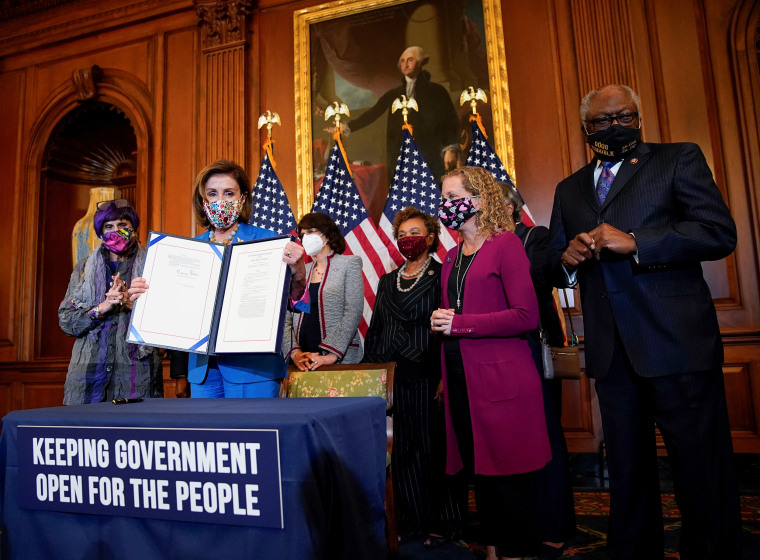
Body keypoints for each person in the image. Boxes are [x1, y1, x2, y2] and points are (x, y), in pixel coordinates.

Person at [548, 84, 741, 559]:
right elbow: (555, 263)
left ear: (639, 118)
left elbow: (717, 232)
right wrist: (568, 259)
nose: (614, 126)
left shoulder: (678, 159)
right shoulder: (569, 188)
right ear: (586, 128)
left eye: (624, 116)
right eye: (602, 121)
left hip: (676, 342)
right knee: (628, 472)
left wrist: (637, 241)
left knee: (700, 467)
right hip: (612, 353)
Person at [431, 166, 550, 560]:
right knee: (481, 476)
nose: (445, 206)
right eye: (443, 199)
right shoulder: (449, 257)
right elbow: (456, 312)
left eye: (452, 198)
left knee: (509, 479)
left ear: (479, 200)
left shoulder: (505, 245)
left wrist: (460, 324)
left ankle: (516, 552)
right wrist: (443, 322)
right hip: (463, 381)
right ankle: (495, 551)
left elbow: (526, 316)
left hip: (504, 383)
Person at [129, 159, 306, 398]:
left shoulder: (271, 242)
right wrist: (144, 297)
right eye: (213, 193)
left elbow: (295, 303)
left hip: (252, 367)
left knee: (251, 434)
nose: (220, 200)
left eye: (229, 193)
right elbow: (174, 307)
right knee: (209, 434)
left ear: (242, 198)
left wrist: (299, 272)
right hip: (203, 367)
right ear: (204, 201)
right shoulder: (189, 249)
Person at [363, 206, 465, 547]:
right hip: (392, 376)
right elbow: (377, 329)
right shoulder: (387, 280)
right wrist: (372, 373)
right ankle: (409, 520)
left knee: (435, 449)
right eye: (402, 234)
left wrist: (445, 376)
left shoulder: (443, 276)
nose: (408, 239)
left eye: (415, 232)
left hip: (428, 374)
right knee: (402, 450)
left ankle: (444, 521)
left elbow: (450, 327)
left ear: (431, 237)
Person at [501, 184, 576, 560]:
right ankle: (522, 524)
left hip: (533, 346)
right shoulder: (475, 247)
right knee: (510, 443)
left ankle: (556, 525)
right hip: (497, 353)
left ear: (513, 208)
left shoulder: (535, 237)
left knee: (545, 434)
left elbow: (535, 283)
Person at [59, 198, 163, 404]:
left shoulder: (153, 265)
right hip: (87, 375)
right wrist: (102, 307)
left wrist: (132, 305)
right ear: (100, 232)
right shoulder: (83, 268)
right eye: (109, 226)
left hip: (135, 375)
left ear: (133, 227)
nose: (116, 231)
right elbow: (66, 321)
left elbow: (168, 323)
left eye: (123, 225)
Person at [348, 46, 459, 182]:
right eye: (402, 61)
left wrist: (450, 148)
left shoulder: (437, 91)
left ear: (420, 62)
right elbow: (373, 113)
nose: (405, 64)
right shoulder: (393, 94)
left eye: (410, 60)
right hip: (400, 156)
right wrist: (348, 127)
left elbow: (450, 120)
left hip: (429, 154)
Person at [283, 212, 363, 370]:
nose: (306, 238)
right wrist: (295, 353)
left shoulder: (349, 263)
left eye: (311, 231)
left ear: (327, 235)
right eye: (302, 234)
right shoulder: (299, 271)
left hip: (338, 358)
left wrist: (331, 356)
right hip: (303, 359)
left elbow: (353, 311)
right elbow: (286, 317)